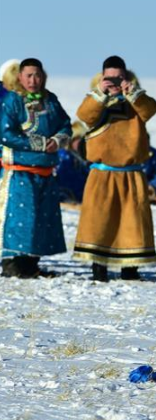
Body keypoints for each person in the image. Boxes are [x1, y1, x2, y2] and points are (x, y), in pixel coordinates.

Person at [72, 56, 156, 282]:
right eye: (110, 77)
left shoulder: (135, 101)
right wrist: (100, 92)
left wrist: (134, 93)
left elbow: (150, 111)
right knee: (99, 222)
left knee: (132, 222)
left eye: (119, 77)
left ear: (126, 77)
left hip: (131, 172)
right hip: (102, 173)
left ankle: (130, 269)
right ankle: (98, 268)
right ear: (102, 77)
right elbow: (84, 116)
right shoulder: (95, 100)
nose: (115, 82)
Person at [0, 58, 71, 278]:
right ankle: (13, 265)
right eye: (28, 75)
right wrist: (38, 144)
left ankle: (31, 265)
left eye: (37, 75)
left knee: (42, 220)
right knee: (21, 220)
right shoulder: (12, 101)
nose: (33, 80)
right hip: (20, 172)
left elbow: (65, 124)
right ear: (20, 77)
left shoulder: (51, 100)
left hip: (46, 173)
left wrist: (58, 140)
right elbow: (6, 134)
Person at [56, 121, 90, 203]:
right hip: (69, 199)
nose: (79, 143)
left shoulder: (87, 158)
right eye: (75, 140)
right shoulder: (64, 158)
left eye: (81, 140)